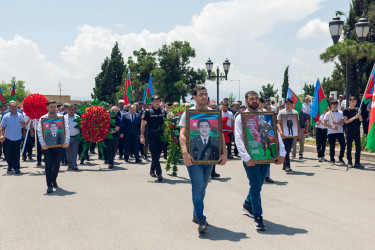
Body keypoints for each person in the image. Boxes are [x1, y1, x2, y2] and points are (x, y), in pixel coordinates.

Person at [235, 90, 285, 231]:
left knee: (259, 184)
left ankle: (247, 204)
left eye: (256, 98)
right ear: (246, 101)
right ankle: (258, 217)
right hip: (251, 158)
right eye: (251, 99)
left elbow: (276, 135)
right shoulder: (241, 117)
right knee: (256, 185)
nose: (254, 101)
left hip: (265, 157)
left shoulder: (267, 116)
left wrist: (281, 153)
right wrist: (247, 158)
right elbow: (238, 139)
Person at [179, 86, 227, 233]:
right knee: (198, 187)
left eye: (206, 94)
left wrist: (224, 153)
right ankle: (201, 218)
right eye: (201, 94)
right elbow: (182, 135)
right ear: (194, 97)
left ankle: (195, 214)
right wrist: (185, 153)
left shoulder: (213, 113)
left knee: (203, 188)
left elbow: (220, 135)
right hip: (193, 159)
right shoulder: (188, 113)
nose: (204, 97)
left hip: (210, 159)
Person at [38, 100, 70, 194]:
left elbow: (66, 130)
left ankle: (54, 179)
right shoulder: (42, 119)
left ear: (57, 107)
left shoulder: (62, 118)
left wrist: (66, 141)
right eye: (51, 106)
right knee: (48, 166)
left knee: (56, 166)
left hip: (59, 145)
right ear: (47, 108)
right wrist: (43, 144)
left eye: (54, 106)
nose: (53, 108)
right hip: (47, 147)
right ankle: (49, 185)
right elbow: (40, 132)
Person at [140, 96, 166, 181]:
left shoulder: (163, 111)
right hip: (152, 136)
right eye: (155, 101)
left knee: (157, 155)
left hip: (161, 137)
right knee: (154, 154)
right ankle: (159, 173)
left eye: (158, 101)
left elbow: (166, 124)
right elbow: (143, 125)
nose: (157, 102)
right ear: (152, 102)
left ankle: (152, 170)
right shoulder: (148, 112)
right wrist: (142, 136)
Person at [0, 101, 30, 174]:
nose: (13, 108)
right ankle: (10, 165)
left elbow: (23, 125)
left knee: (16, 153)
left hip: (17, 138)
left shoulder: (20, 115)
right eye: (12, 106)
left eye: (15, 106)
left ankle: (17, 168)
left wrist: (29, 119)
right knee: (8, 154)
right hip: (8, 138)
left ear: (17, 107)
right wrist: (1, 135)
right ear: (9, 107)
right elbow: (2, 126)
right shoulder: (6, 116)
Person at [277, 98, 299, 173]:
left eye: (289, 104)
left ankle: (284, 163)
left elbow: (296, 123)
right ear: (285, 104)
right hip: (284, 135)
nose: (288, 105)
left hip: (292, 134)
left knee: (289, 148)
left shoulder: (295, 112)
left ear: (292, 104)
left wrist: (298, 133)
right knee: (286, 148)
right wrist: (281, 132)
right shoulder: (281, 112)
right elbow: (278, 123)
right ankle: (287, 166)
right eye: (287, 104)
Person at [343, 97, 364, 168]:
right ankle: (349, 162)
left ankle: (357, 162)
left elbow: (361, 120)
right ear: (349, 102)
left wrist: (359, 114)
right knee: (349, 146)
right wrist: (355, 117)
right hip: (349, 130)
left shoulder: (357, 109)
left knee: (358, 147)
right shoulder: (346, 110)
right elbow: (346, 121)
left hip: (357, 130)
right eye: (353, 101)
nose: (354, 103)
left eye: (355, 101)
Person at [324, 99, 345, 166]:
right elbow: (325, 123)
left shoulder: (341, 113)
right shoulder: (328, 113)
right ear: (331, 106)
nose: (335, 106)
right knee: (332, 146)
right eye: (334, 104)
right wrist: (332, 127)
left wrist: (337, 123)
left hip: (339, 132)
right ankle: (332, 159)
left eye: (336, 104)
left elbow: (342, 122)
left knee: (343, 145)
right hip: (331, 132)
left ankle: (341, 158)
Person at [64, 104, 80, 170]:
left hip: (76, 137)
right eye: (69, 110)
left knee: (74, 151)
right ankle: (70, 163)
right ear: (67, 110)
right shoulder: (64, 117)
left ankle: (74, 164)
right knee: (68, 152)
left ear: (74, 110)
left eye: (72, 109)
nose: (71, 111)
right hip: (67, 138)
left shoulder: (77, 117)